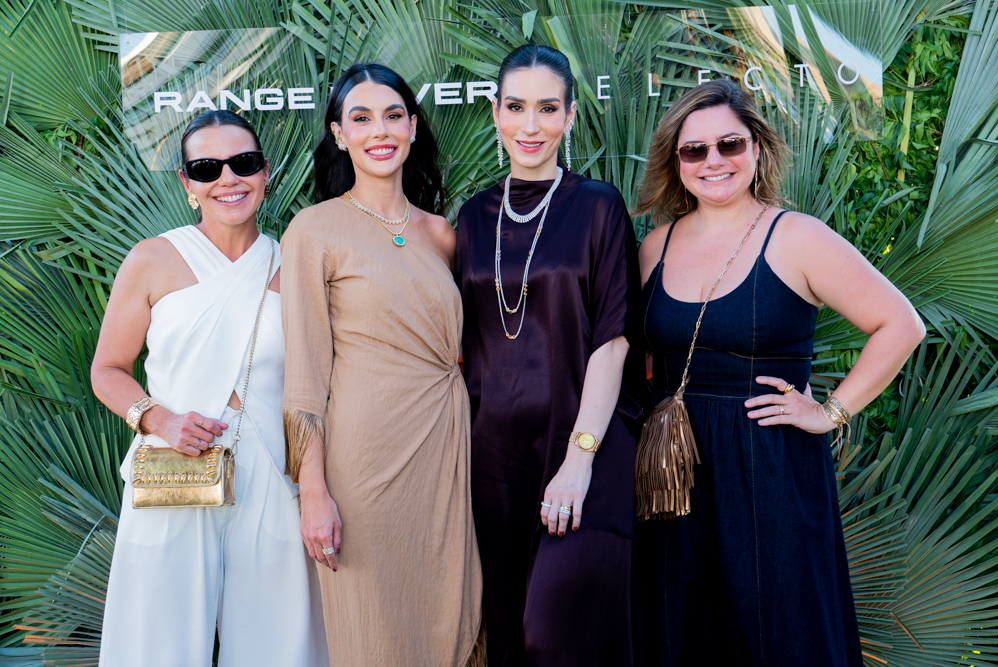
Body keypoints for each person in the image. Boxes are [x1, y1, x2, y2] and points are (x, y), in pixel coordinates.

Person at [632, 79, 926, 666]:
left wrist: (830, 411)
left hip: (769, 467)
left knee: (783, 631)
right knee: (681, 633)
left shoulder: (796, 237)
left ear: (757, 148)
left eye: (730, 144)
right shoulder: (654, 246)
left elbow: (901, 324)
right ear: (676, 162)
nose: (714, 161)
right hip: (674, 477)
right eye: (695, 150)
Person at [92, 110, 328, 666]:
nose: (228, 179)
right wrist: (160, 420)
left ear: (265, 172)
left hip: (273, 474)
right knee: (156, 647)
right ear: (187, 183)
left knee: (281, 649)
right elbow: (107, 369)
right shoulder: (152, 259)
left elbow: (317, 386)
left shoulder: (293, 262)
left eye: (243, 163)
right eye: (206, 168)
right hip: (173, 468)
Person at [280, 63, 483, 667]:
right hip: (363, 467)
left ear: (413, 127)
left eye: (393, 115)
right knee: (374, 632)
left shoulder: (442, 233)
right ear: (339, 134)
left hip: (448, 454)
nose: (380, 131)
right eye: (361, 118)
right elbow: (305, 375)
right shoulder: (314, 230)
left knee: (454, 613)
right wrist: (313, 492)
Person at [454, 44, 646, 667]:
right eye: (515, 107)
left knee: (560, 632)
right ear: (495, 113)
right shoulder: (472, 218)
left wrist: (580, 458)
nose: (530, 125)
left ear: (569, 115)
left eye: (546, 108)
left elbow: (613, 340)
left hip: (584, 444)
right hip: (495, 460)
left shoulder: (598, 205)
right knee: (509, 631)